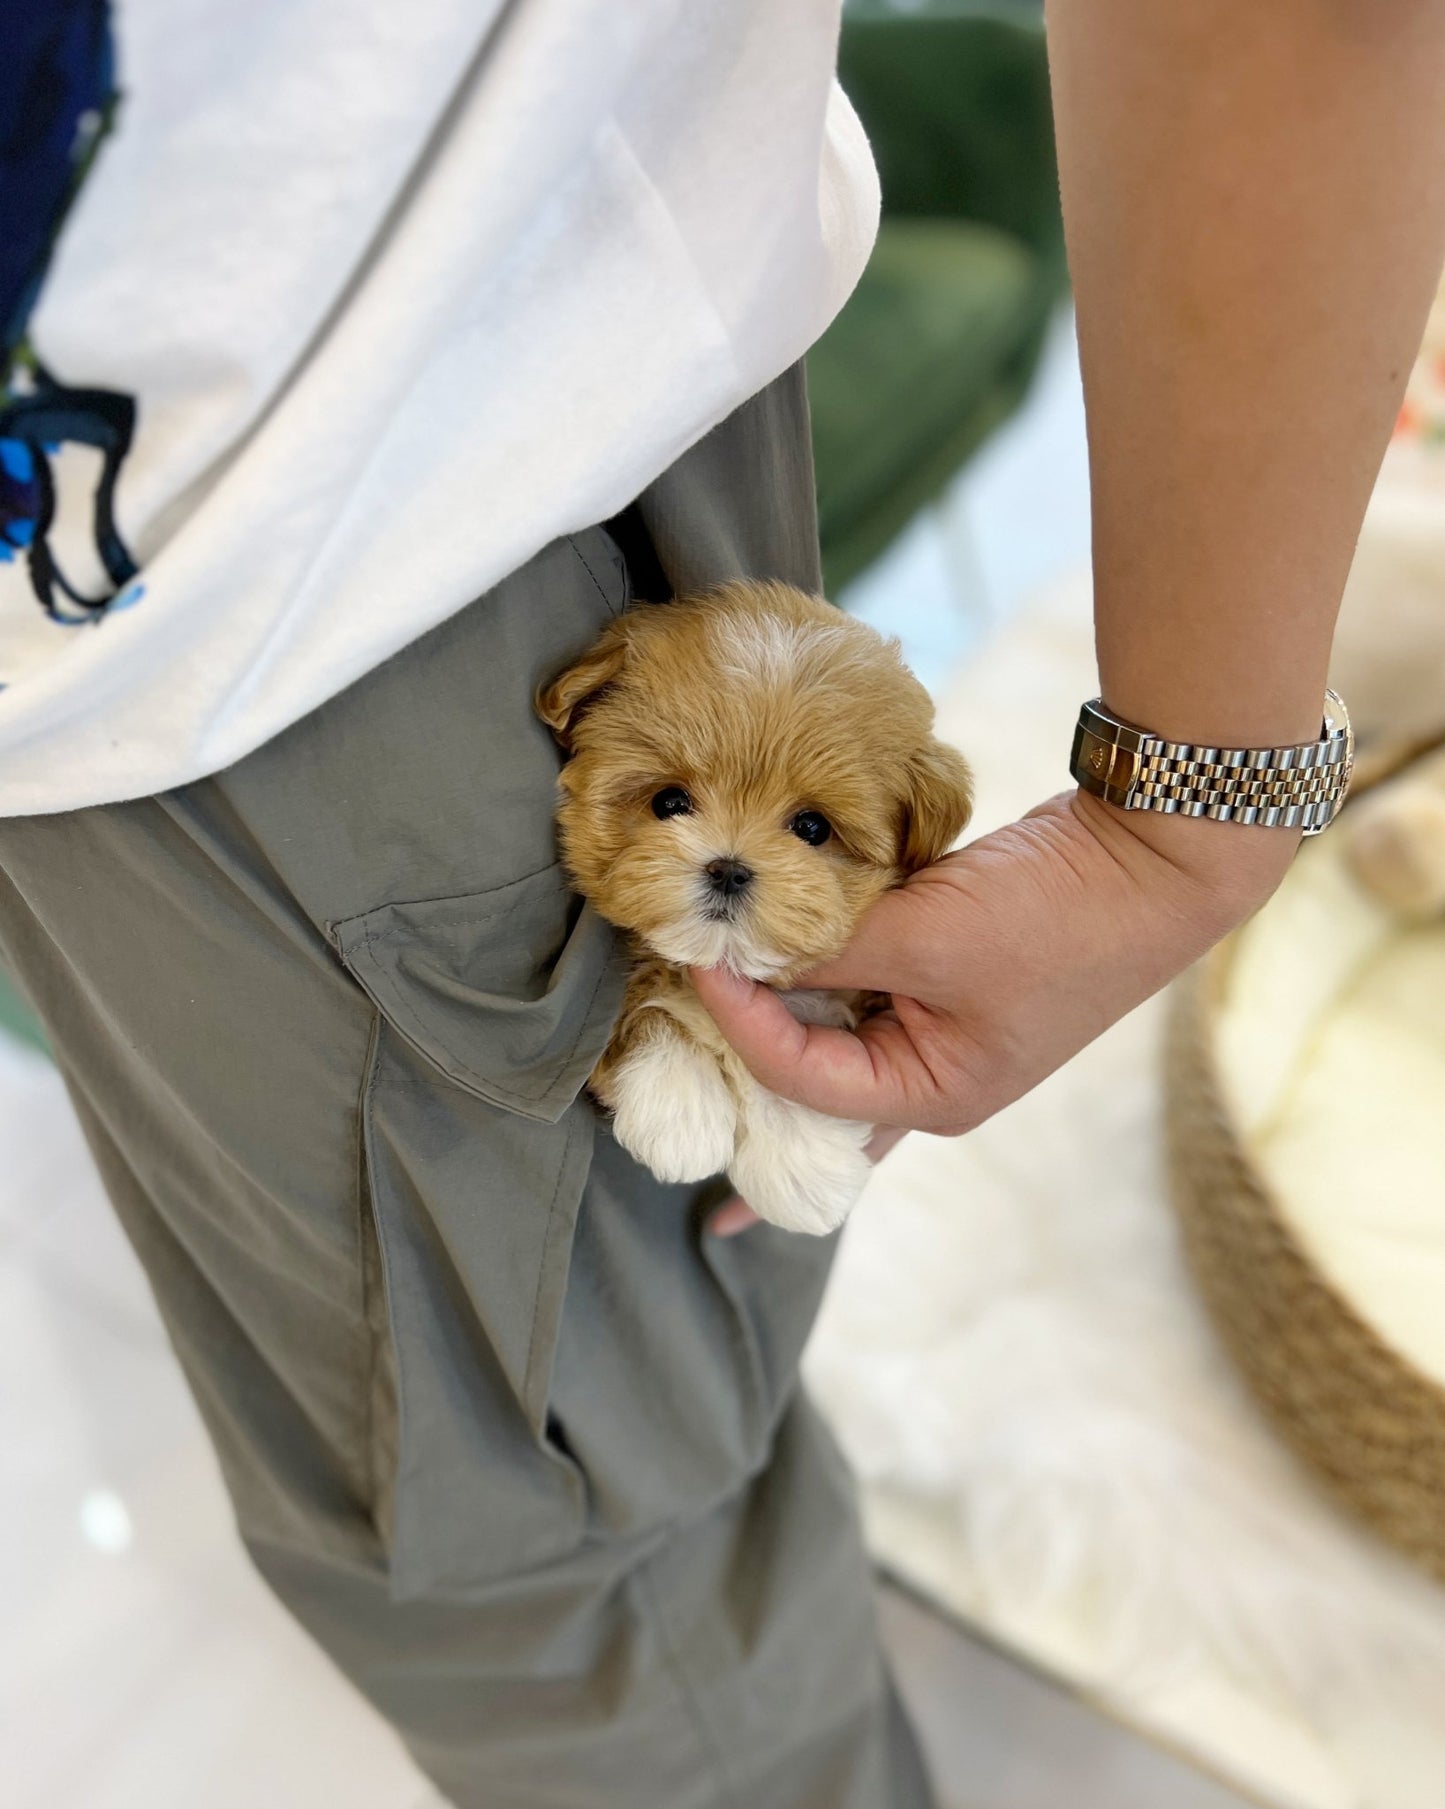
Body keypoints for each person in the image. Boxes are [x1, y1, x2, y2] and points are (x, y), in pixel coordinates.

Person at [1, 1, 1442, 1804]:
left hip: (259, 590)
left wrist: (1192, 811)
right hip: (550, 308)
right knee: (633, 1453)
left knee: (551, 1560)